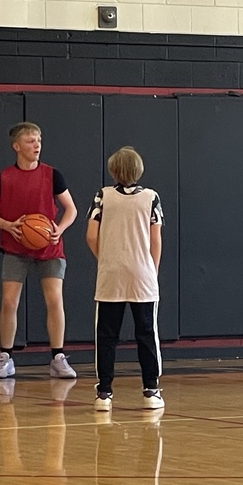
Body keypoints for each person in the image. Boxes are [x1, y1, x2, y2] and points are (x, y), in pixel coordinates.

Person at [0, 121, 78, 380]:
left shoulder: (53, 175)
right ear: (17, 146)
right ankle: (6, 357)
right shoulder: (3, 178)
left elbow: (71, 209)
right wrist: (7, 225)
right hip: (15, 246)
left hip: (50, 246)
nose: (37, 145)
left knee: (54, 300)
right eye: (30, 141)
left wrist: (60, 229)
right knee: (9, 301)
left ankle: (58, 357)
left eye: (39, 140)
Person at [86, 146, 164, 411]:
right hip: (142, 274)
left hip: (111, 274)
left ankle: (104, 393)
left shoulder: (103, 196)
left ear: (113, 170)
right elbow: (156, 239)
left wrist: (106, 258)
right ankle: (151, 390)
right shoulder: (151, 197)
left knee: (107, 335)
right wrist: (152, 270)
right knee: (147, 334)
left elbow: (91, 236)